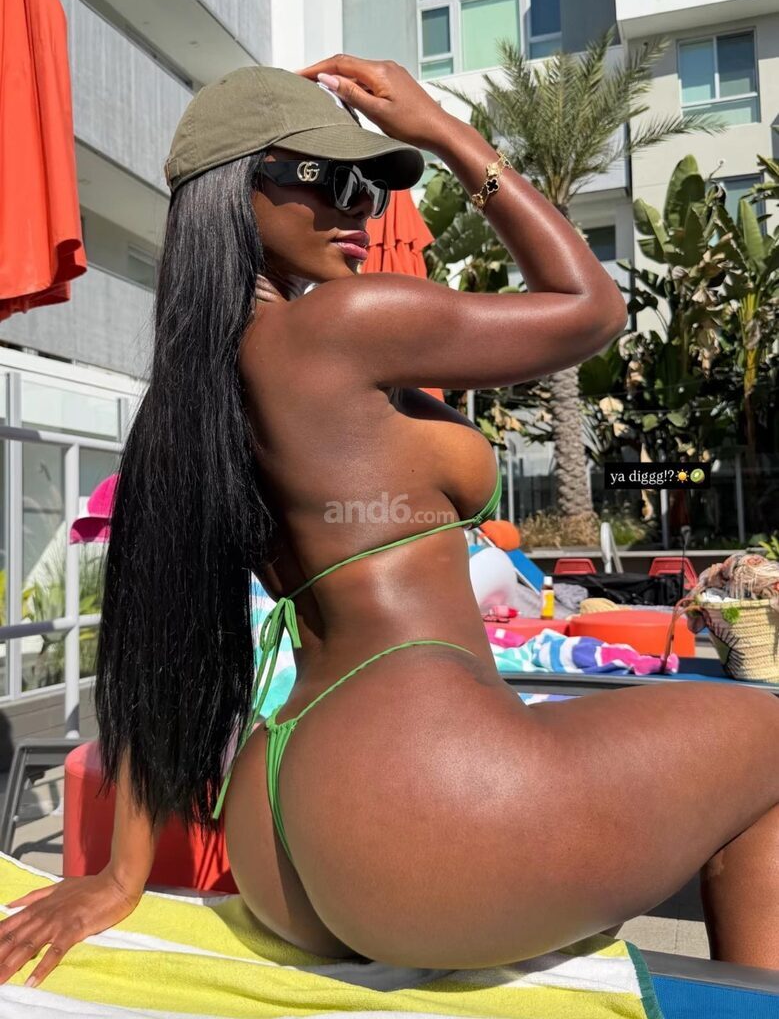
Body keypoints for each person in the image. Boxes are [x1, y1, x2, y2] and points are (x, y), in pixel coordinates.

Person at [2, 56, 778, 989]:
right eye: (328, 181)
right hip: (422, 812)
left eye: (370, 187)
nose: (360, 211)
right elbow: (590, 309)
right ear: (237, 190)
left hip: (282, 823)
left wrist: (118, 876)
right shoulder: (341, 324)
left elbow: (164, 641)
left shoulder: (194, 390)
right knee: (768, 737)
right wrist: (444, 134)